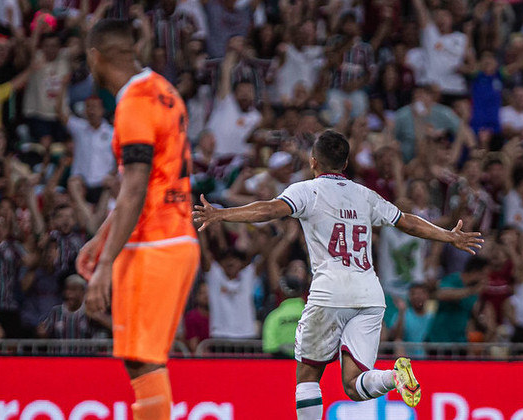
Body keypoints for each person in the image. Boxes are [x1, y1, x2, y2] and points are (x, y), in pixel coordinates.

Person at [193, 130, 484, 416]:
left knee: (307, 376)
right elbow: (406, 221)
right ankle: (393, 378)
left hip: (330, 291)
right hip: (369, 294)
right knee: (353, 386)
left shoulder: (307, 191)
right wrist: (449, 236)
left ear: (313, 162)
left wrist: (222, 214)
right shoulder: (366, 196)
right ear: (345, 164)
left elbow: (269, 210)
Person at [76, 19, 199, 420]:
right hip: (175, 236)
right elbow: (148, 185)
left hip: (154, 242)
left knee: (144, 361)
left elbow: (134, 187)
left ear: (97, 57)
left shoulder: (133, 103)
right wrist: (102, 238)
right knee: (141, 361)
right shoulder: (165, 90)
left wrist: (105, 265)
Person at [262, 275, 307, 358]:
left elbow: (270, 347)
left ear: (281, 292)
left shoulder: (273, 317)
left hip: (281, 366)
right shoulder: (311, 315)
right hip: (308, 365)